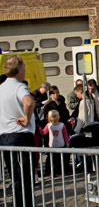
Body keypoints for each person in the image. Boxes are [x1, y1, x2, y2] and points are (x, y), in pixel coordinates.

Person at [0, 55, 36, 207]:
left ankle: (18, 203)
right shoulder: (19, 86)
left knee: (15, 176)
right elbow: (28, 101)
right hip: (20, 135)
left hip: (5, 136)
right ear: (20, 69)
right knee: (25, 177)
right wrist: (27, 118)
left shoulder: (1, 87)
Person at [40, 110, 70, 176]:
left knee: (60, 160)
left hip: (61, 144)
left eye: (57, 116)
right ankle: (52, 172)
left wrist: (67, 142)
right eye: (54, 116)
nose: (56, 118)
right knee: (52, 160)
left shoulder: (62, 125)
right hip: (52, 145)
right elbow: (44, 132)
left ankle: (60, 171)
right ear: (50, 118)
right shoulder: (48, 125)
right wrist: (39, 129)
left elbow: (65, 134)